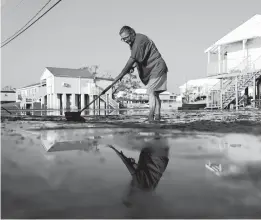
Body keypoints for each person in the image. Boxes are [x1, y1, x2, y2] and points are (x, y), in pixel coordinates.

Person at [117, 26, 168, 122]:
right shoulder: (133, 43)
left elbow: (132, 59)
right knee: (155, 94)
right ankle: (157, 117)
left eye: (126, 38)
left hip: (157, 66)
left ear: (132, 33)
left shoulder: (139, 41)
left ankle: (150, 117)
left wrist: (121, 74)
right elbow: (139, 58)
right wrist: (132, 67)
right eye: (123, 39)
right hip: (154, 68)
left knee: (151, 91)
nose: (125, 40)